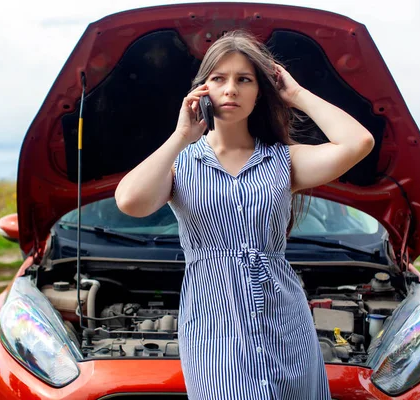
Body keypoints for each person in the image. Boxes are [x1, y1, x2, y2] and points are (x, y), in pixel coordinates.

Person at [115, 30, 374, 400]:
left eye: (244, 79)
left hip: (285, 323)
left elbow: (358, 143)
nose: (231, 89)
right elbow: (129, 201)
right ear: (202, 90)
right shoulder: (180, 164)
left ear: (259, 92)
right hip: (213, 326)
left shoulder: (284, 160)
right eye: (218, 78)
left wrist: (296, 94)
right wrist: (180, 137)